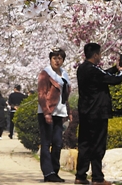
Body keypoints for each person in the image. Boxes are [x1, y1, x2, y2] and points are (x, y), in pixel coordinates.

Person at [75, 43, 122, 185]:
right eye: (100, 54)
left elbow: (104, 75)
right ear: (96, 54)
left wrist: (115, 68)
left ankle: (80, 176)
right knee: (98, 145)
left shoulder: (83, 68)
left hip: (85, 112)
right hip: (97, 113)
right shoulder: (93, 70)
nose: (101, 56)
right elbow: (115, 80)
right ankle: (97, 178)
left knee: (84, 144)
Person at [37, 47, 72, 183]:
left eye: (60, 58)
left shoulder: (64, 74)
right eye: (54, 58)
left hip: (60, 112)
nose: (57, 61)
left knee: (57, 143)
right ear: (50, 59)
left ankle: (54, 171)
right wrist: (46, 112)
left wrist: (69, 112)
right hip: (48, 112)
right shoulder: (46, 74)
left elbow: (65, 95)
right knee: (46, 143)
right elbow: (41, 94)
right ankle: (48, 172)